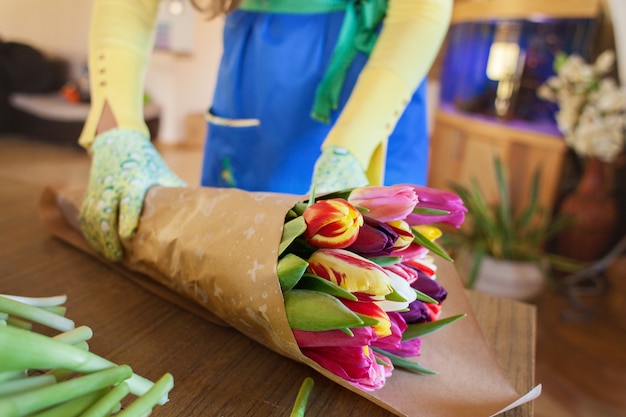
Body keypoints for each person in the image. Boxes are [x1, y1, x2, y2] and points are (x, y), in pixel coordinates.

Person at [78, 0, 453, 261]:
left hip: (380, 76)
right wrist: (117, 127)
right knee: (226, 260)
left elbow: (419, 7)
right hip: (258, 70)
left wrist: (351, 149)